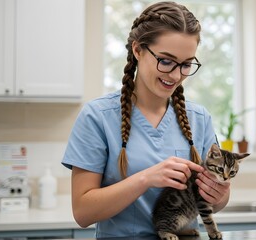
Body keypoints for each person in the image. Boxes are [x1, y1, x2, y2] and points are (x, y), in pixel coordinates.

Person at [62, 1, 230, 238]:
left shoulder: (199, 118)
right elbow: (82, 212)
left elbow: (218, 202)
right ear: (138, 50)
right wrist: (145, 179)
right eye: (166, 60)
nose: (175, 75)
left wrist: (218, 193)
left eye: (186, 64)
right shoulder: (97, 117)